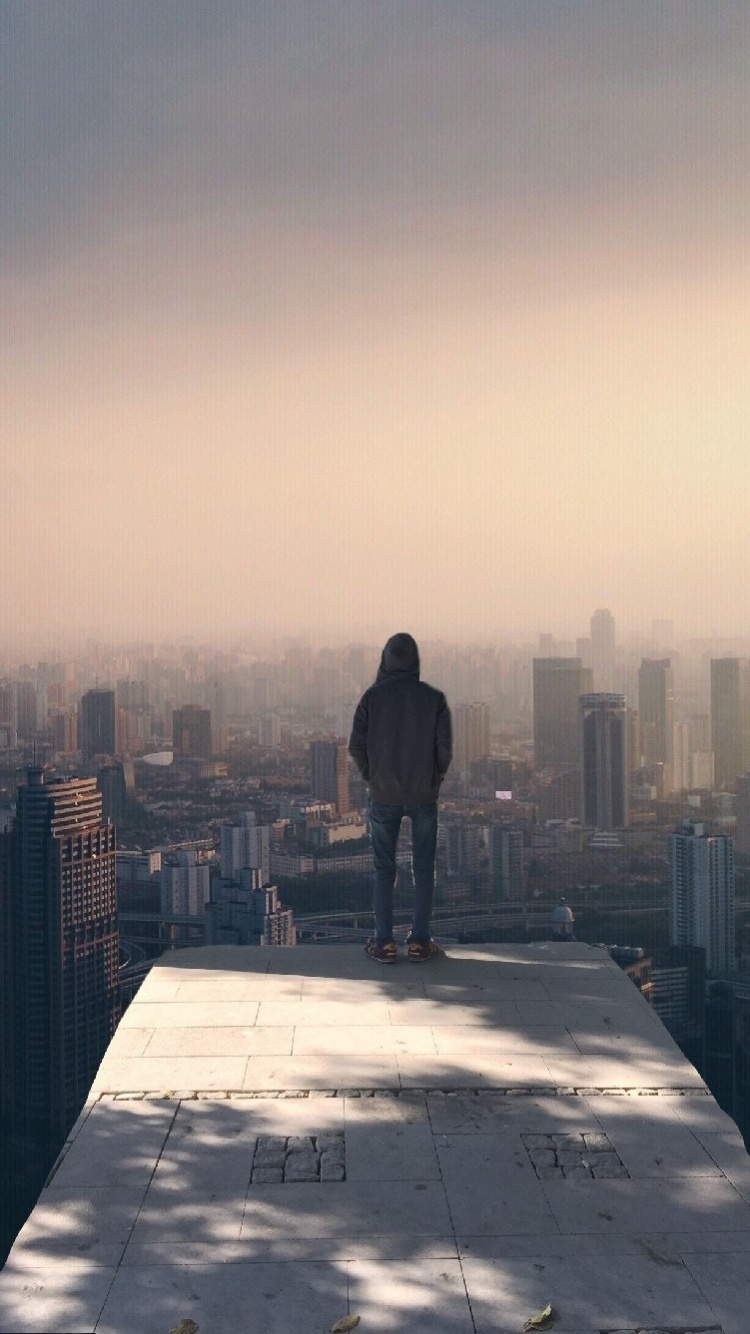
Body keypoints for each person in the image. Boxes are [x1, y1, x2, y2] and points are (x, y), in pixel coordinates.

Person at [348, 632, 452, 962]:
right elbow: (444, 751)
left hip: (383, 795)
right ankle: (420, 942)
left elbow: (355, 746)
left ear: (386, 659)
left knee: (383, 869)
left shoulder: (371, 698)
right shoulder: (433, 699)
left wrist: (372, 777)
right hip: (423, 795)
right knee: (423, 868)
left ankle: (384, 943)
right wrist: (434, 779)